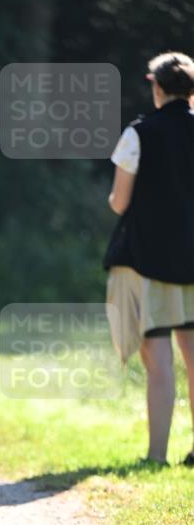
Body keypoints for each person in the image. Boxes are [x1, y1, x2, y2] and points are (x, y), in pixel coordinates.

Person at [104, 51, 194, 466]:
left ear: (155, 85)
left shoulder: (139, 133)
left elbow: (120, 202)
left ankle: (156, 456)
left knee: (158, 363)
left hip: (148, 260)